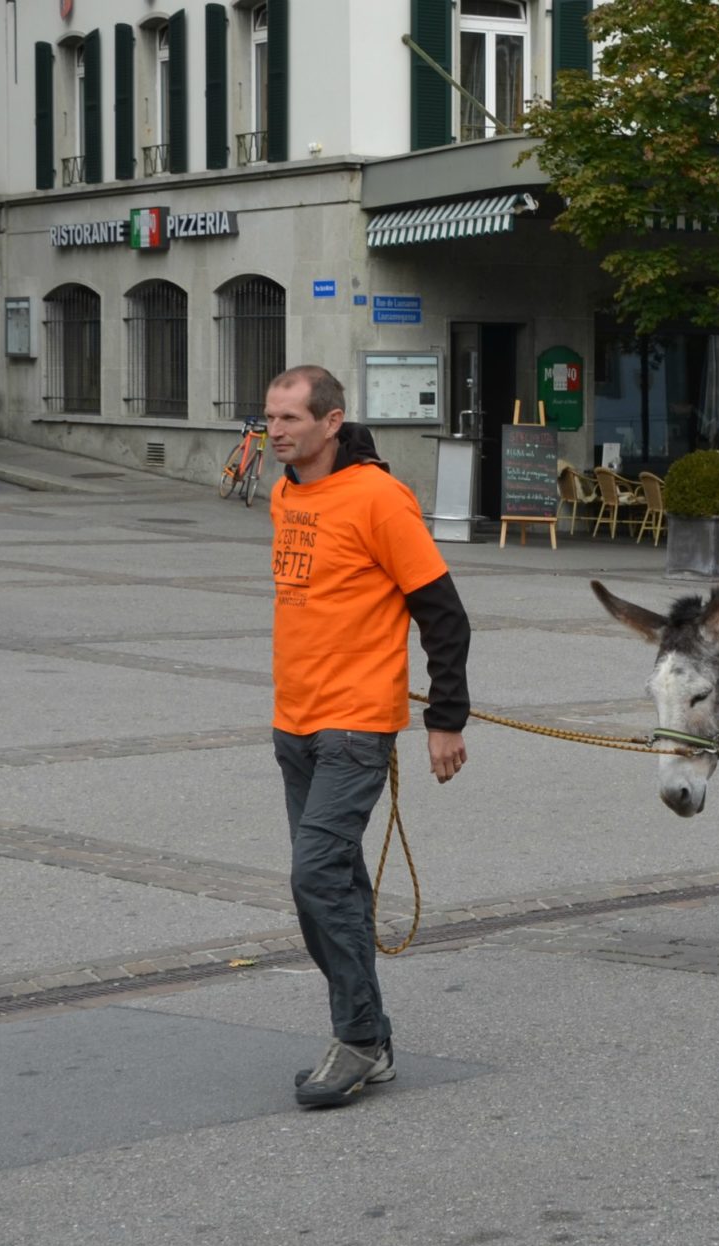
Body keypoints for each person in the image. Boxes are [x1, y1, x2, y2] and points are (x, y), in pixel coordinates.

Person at [267, 364, 472, 1107]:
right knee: (336, 887)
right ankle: (373, 1038)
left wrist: (445, 717)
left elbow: (444, 614)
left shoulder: (381, 498)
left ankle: (356, 1038)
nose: (277, 431)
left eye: (291, 418)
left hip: (355, 727)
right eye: (270, 417)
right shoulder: (285, 493)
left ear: (331, 421)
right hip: (293, 722)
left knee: (315, 876)